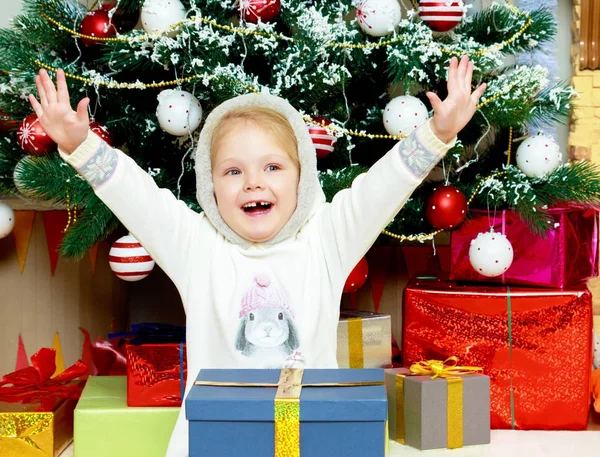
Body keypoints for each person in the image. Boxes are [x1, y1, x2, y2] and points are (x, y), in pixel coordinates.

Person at [29, 55, 485, 457]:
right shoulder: (197, 246)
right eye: (233, 171)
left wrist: (438, 132)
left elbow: (381, 187)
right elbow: (139, 199)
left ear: (301, 178)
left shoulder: (325, 239)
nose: (253, 182)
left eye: (272, 167)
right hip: (216, 439)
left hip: (310, 434)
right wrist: (80, 144)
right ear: (210, 188)